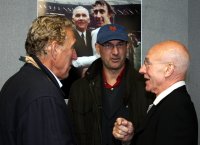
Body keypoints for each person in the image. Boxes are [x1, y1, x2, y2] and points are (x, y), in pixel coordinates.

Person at [68, 24, 153, 145]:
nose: (115, 52)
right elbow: (72, 134)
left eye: (120, 44)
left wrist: (131, 138)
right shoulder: (80, 88)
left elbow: (153, 135)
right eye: (108, 45)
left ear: (127, 47)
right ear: (97, 48)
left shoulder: (145, 87)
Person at [0, 15, 77, 145]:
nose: (75, 56)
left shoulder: (15, 82)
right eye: (72, 48)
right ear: (54, 49)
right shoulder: (44, 97)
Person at [113, 40, 198, 145]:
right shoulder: (169, 104)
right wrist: (130, 138)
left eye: (147, 64)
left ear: (168, 69)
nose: (141, 70)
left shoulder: (176, 110)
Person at [61, 6, 93, 98]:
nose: (81, 18)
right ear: (73, 19)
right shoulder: (66, 36)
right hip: (71, 83)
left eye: (84, 15)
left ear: (89, 19)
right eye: (78, 15)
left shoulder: (93, 35)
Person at [73, 0, 116, 68]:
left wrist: (75, 62)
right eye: (95, 12)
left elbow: (101, 58)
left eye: (102, 11)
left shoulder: (116, 33)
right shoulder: (93, 33)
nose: (98, 16)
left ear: (109, 14)